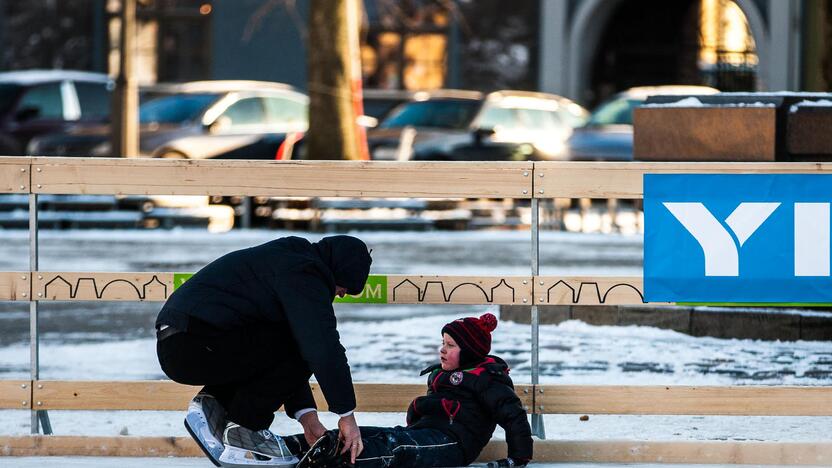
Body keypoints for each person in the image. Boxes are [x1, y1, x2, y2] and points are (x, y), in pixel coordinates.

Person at [155, 235, 372, 467]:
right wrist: (346, 416)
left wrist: (308, 420)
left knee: (292, 339)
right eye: (345, 287)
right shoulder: (305, 272)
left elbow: (280, 353)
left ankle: (216, 402)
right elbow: (323, 348)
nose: (341, 294)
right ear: (339, 270)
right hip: (195, 342)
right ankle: (244, 428)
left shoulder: (292, 258)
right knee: (309, 342)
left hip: (182, 342)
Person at [284, 313, 533, 468]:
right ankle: (295, 446)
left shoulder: (488, 379)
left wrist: (518, 458)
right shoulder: (442, 374)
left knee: (395, 448)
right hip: (424, 434)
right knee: (365, 435)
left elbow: (514, 416)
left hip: (453, 445)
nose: (442, 350)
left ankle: (339, 461)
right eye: (442, 343)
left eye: (450, 345)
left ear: (470, 351)